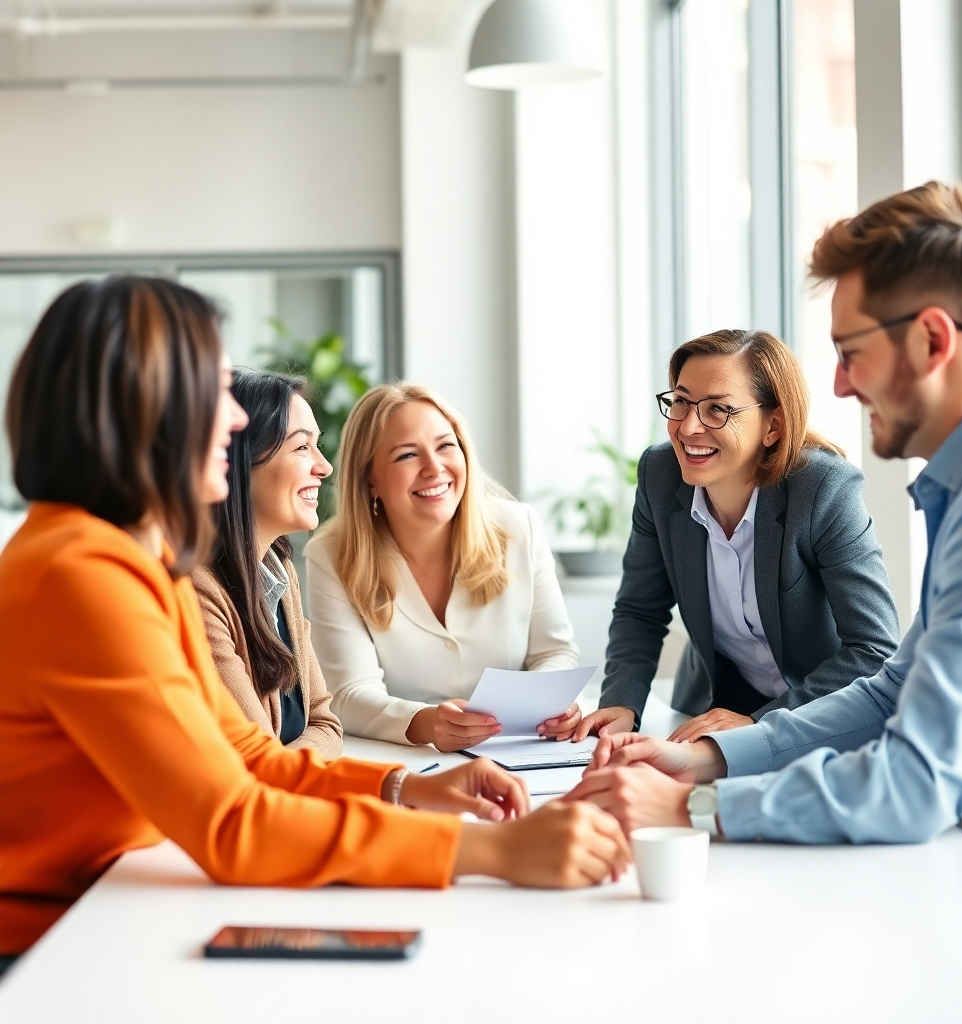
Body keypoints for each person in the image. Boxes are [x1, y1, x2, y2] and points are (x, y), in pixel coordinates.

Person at [0, 277, 630, 965]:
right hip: (51, 949)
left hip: (114, 912)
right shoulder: (82, 575)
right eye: (213, 391)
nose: (234, 420)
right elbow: (232, 823)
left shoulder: (137, 562)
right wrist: (490, 850)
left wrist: (407, 787)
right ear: (144, 410)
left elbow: (249, 758)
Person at [567, 181, 962, 873]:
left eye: (852, 351)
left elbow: (914, 783)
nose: (839, 385)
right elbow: (892, 689)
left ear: (932, 339)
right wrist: (708, 758)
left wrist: (695, 808)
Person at [575, 329, 899, 744]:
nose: (688, 426)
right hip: (714, 708)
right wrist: (622, 703)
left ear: (772, 426)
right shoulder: (659, 475)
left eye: (718, 409)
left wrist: (762, 722)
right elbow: (640, 610)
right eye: (681, 401)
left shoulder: (822, 488)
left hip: (817, 718)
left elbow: (874, 650)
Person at [304, 383, 582, 751]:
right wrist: (425, 723)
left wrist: (552, 703)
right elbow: (347, 694)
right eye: (407, 455)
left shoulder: (519, 527)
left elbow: (555, 653)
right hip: (408, 761)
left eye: (446, 446)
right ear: (370, 480)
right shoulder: (331, 555)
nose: (434, 469)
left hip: (521, 751)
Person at [192, 369, 342, 758]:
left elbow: (326, 723)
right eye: (302, 447)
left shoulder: (279, 573)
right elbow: (257, 762)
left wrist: (289, 767)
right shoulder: (198, 591)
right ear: (240, 460)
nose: (324, 467)